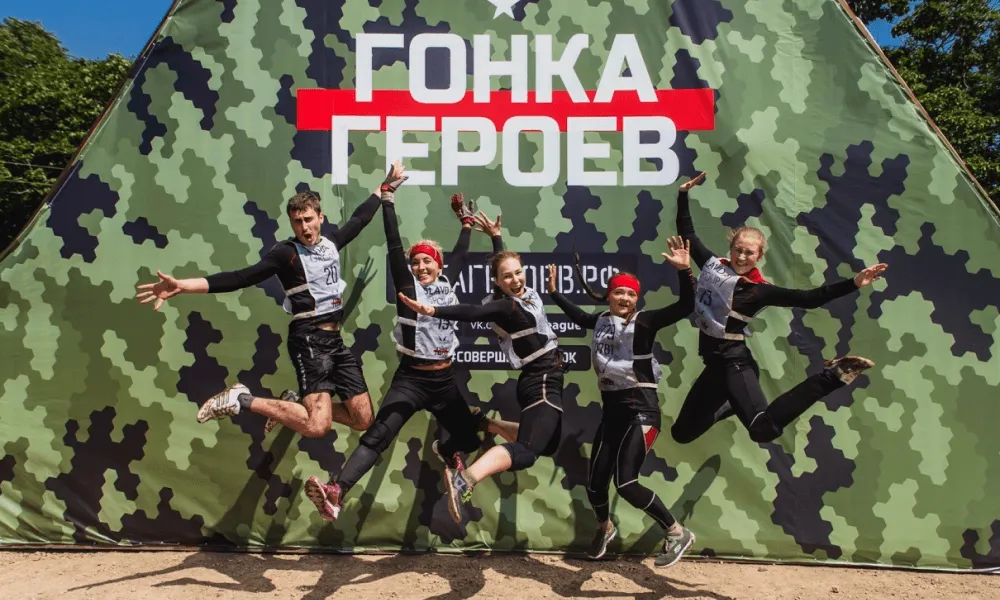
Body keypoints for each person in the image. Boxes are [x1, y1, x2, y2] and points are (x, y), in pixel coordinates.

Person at [135, 162, 409, 460]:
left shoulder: (331, 244)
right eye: (297, 222)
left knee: (363, 419)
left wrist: (384, 187)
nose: (304, 227)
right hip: (309, 340)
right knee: (317, 426)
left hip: (335, 343)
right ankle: (242, 398)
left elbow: (359, 219)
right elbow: (240, 277)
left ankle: (292, 405)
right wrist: (183, 286)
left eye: (308, 219)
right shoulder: (286, 253)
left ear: (320, 217)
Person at [303, 187, 520, 520]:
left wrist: (466, 224)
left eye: (426, 260)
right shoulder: (408, 287)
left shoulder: (447, 284)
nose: (420, 266)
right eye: (415, 261)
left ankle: (446, 450)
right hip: (411, 380)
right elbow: (394, 244)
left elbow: (462, 253)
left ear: (439, 265)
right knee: (379, 435)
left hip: (444, 380)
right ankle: (337, 492)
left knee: (468, 440)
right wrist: (387, 201)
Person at [671, 171, 888, 446]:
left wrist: (854, 282)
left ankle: (832, 376)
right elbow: (688, 233)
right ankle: (733, 405)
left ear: (759, 256)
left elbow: (809, 298)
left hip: (734, 364)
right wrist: (682, 194)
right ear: (731, 247)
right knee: (681, 434)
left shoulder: (758, 290)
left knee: (762, 430)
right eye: (738, 249)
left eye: (749, 252)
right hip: (713, 368)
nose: (741, 256)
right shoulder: (714, 267)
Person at [546, 236, 698, 567]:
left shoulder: (645, 322)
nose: (625, 298)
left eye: (630, 293)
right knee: (595, 484)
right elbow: (578, 316)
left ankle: (676, 532)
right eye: (619, 292)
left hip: (642, 411)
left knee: (626, 482)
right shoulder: (601, 320)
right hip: (613, 413)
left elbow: (686, 306)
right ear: (610, 295)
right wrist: (554, 293)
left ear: (636, 298)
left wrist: (685, 271)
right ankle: (606, 528)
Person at [397, 249, 564, 525]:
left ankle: (485, 424)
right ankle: (464, 479)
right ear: (497, 282)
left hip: (543, 379)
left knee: (548, 444)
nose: (516, 279)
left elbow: (504, 267)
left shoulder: (525, 295)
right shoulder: (506, 307)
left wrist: (496, 238)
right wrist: (433, 310)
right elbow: (472, 311)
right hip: (542, 379)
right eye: (507, 276)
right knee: (527, 451)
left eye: (518, 272)